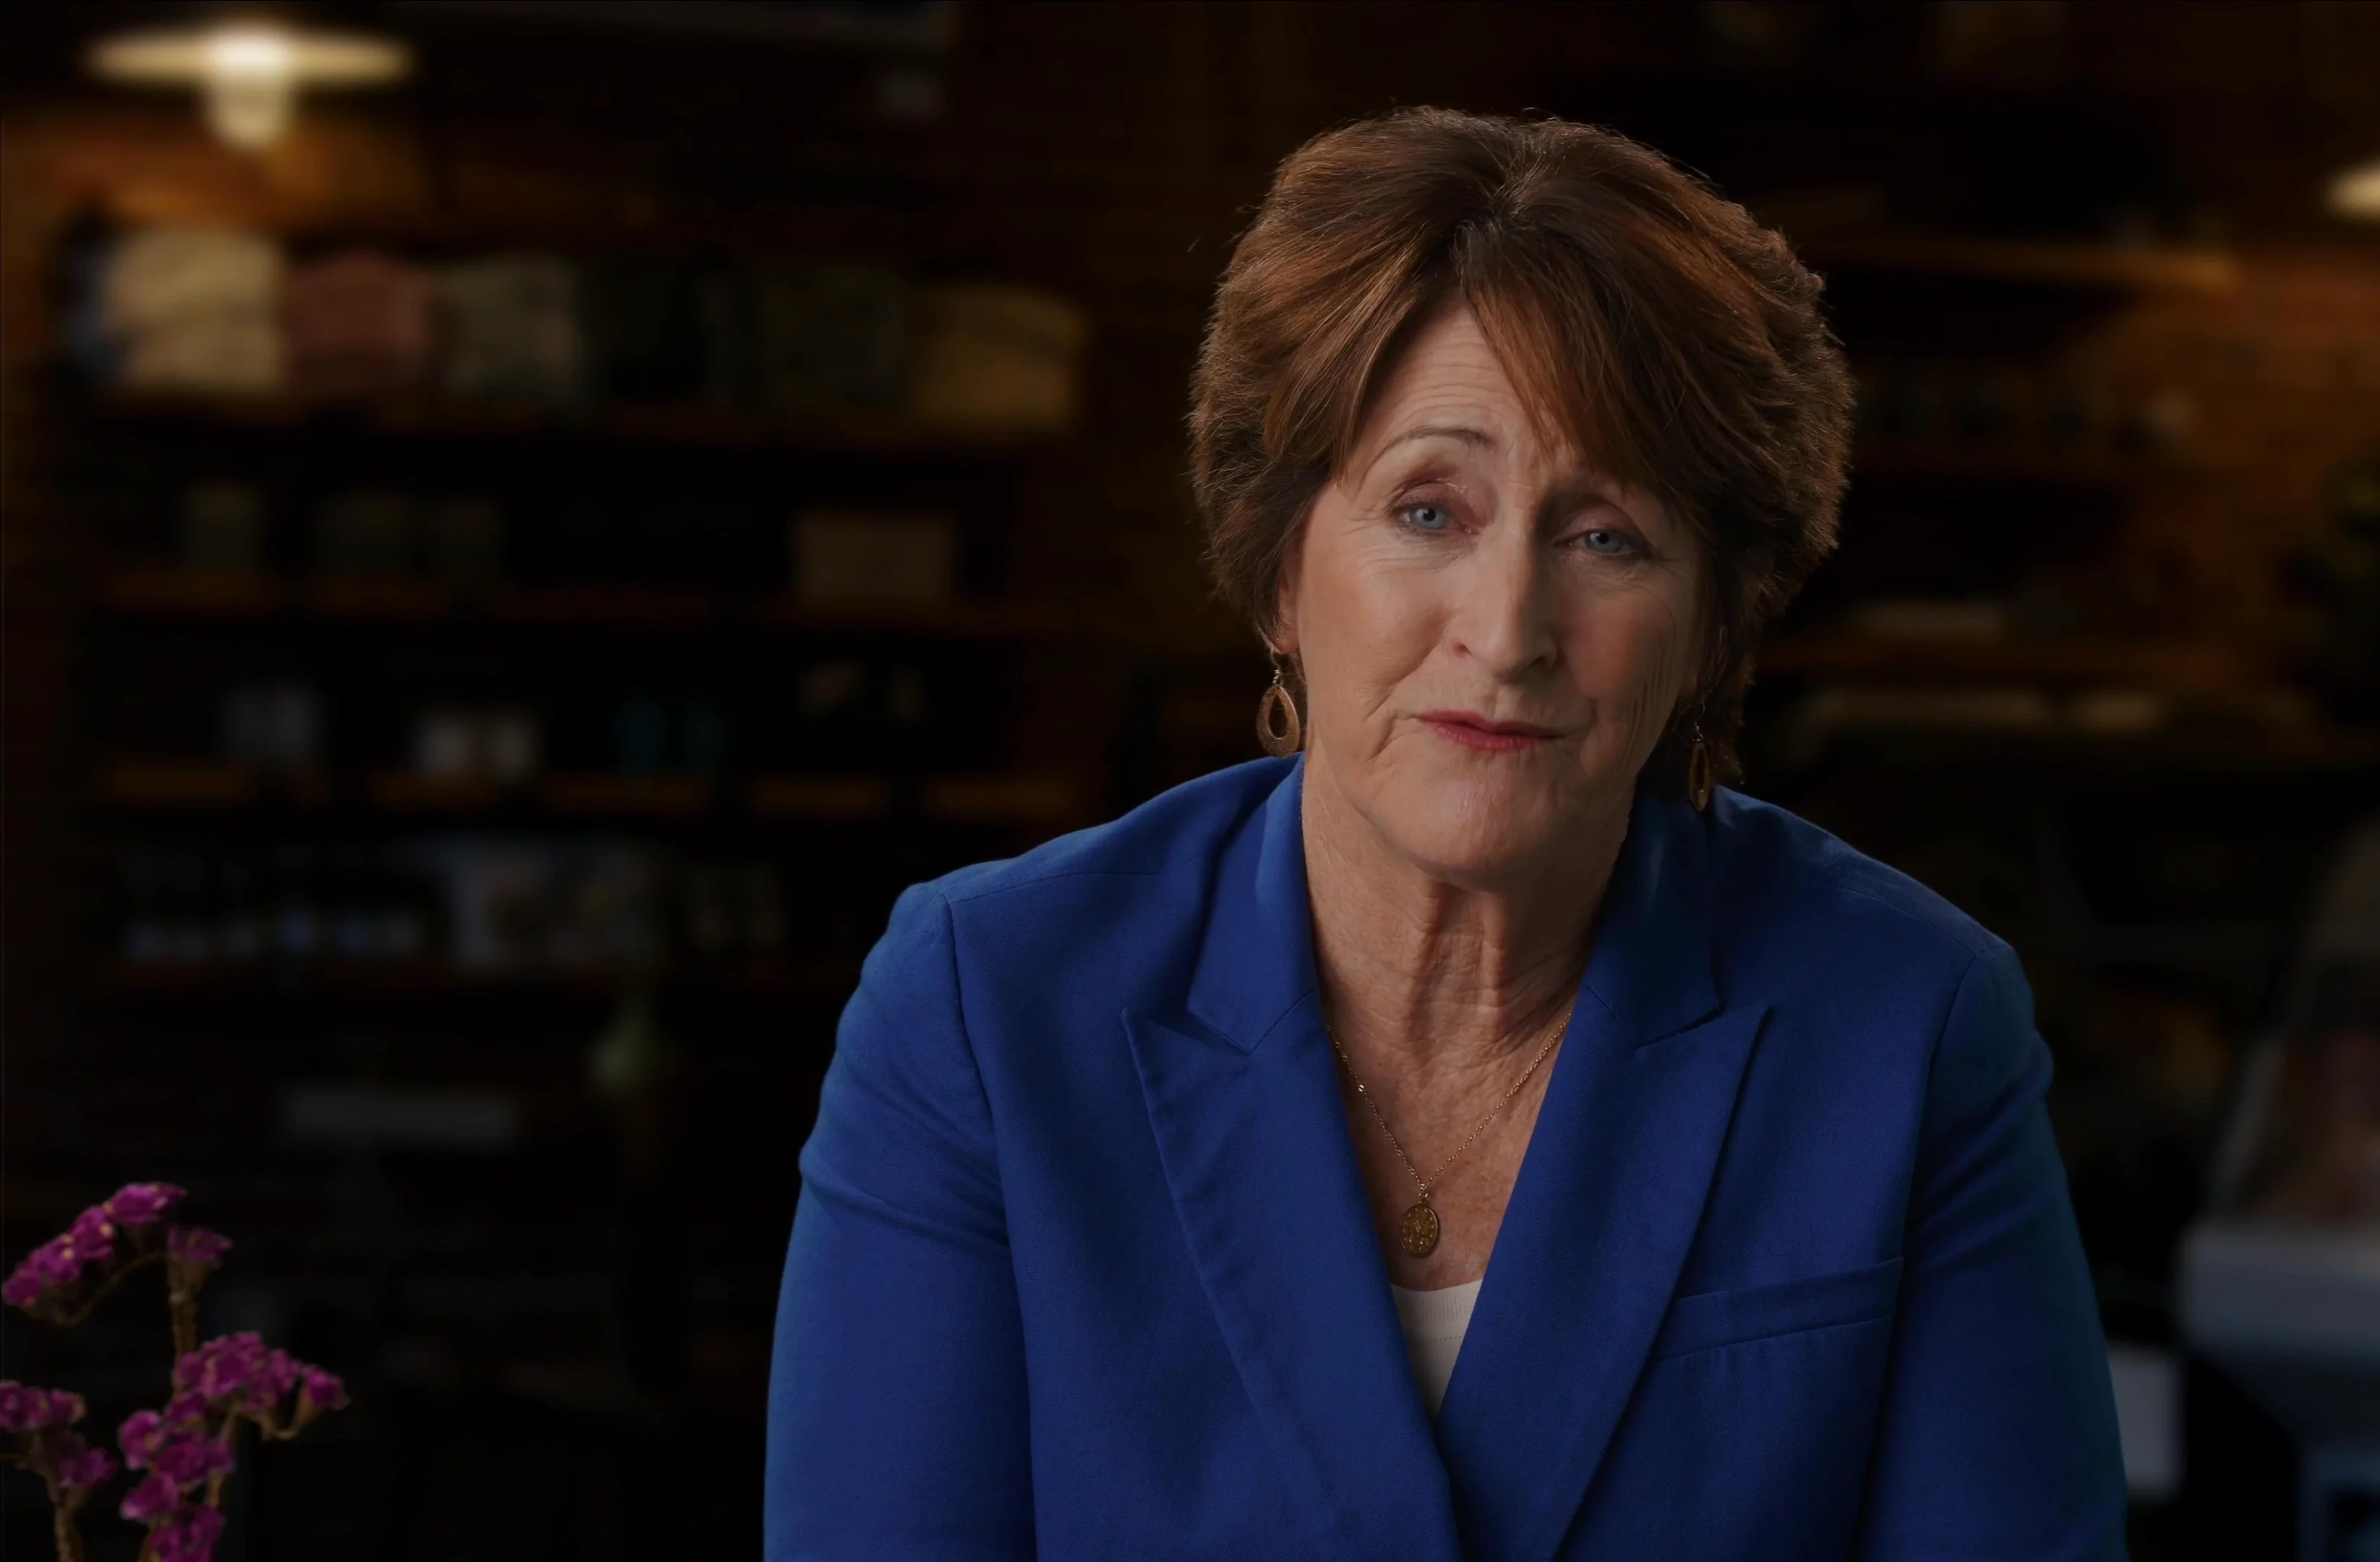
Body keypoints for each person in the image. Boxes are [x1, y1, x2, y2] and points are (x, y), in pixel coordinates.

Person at [766, 107, 2124, 1560]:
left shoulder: (1914, 1024)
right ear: (1279, 573)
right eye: (1428, 510)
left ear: (1713, 623)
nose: (1508, 629)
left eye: (1605, 535)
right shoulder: (984, 1005)